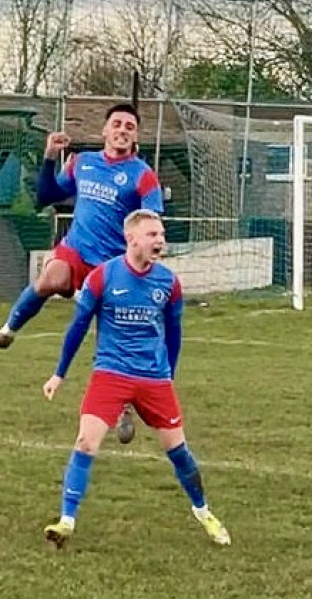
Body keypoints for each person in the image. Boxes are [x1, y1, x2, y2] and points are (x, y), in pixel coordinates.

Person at [41, 209, 230, 548]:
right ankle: (66, 521)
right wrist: (59, 374)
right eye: (152, 235)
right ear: (131, 239)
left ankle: (204, 512)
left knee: (178, 452)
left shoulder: (168, 283)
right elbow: (78, 327)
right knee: (85, 442)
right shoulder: (102, 277)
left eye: (161, 234)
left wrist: (168, 374)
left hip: (154, 379)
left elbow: (174, 333)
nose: (160, 240)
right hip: (110, 373)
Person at [0, 104, 163, 354]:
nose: (122, 130)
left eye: (130, 127)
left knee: (119, 321)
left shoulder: (143, 175)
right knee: (51, 279)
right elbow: (46, 195)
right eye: (116, 124)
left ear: (136, 136)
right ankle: (6, 333)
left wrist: (144, 251)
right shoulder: (82, 163)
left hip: (114, 260)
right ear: (104, 130)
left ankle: (124, 364)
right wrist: (49, 157)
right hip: (77, 249)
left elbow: (152, 219)